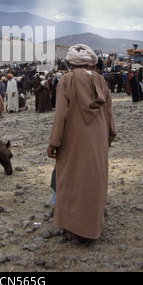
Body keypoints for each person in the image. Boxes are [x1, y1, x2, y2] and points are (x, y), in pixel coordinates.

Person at [46, 44, 117, 241]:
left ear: (70, 63)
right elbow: (109, 114)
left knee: (71, 179)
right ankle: (93, 226)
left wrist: (54, 142)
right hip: (98, 140)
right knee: (94, 179)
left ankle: (75, 227)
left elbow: (61, 114)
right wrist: (108, 137)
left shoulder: (67, 80)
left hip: (73, 140)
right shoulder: (102, 81)